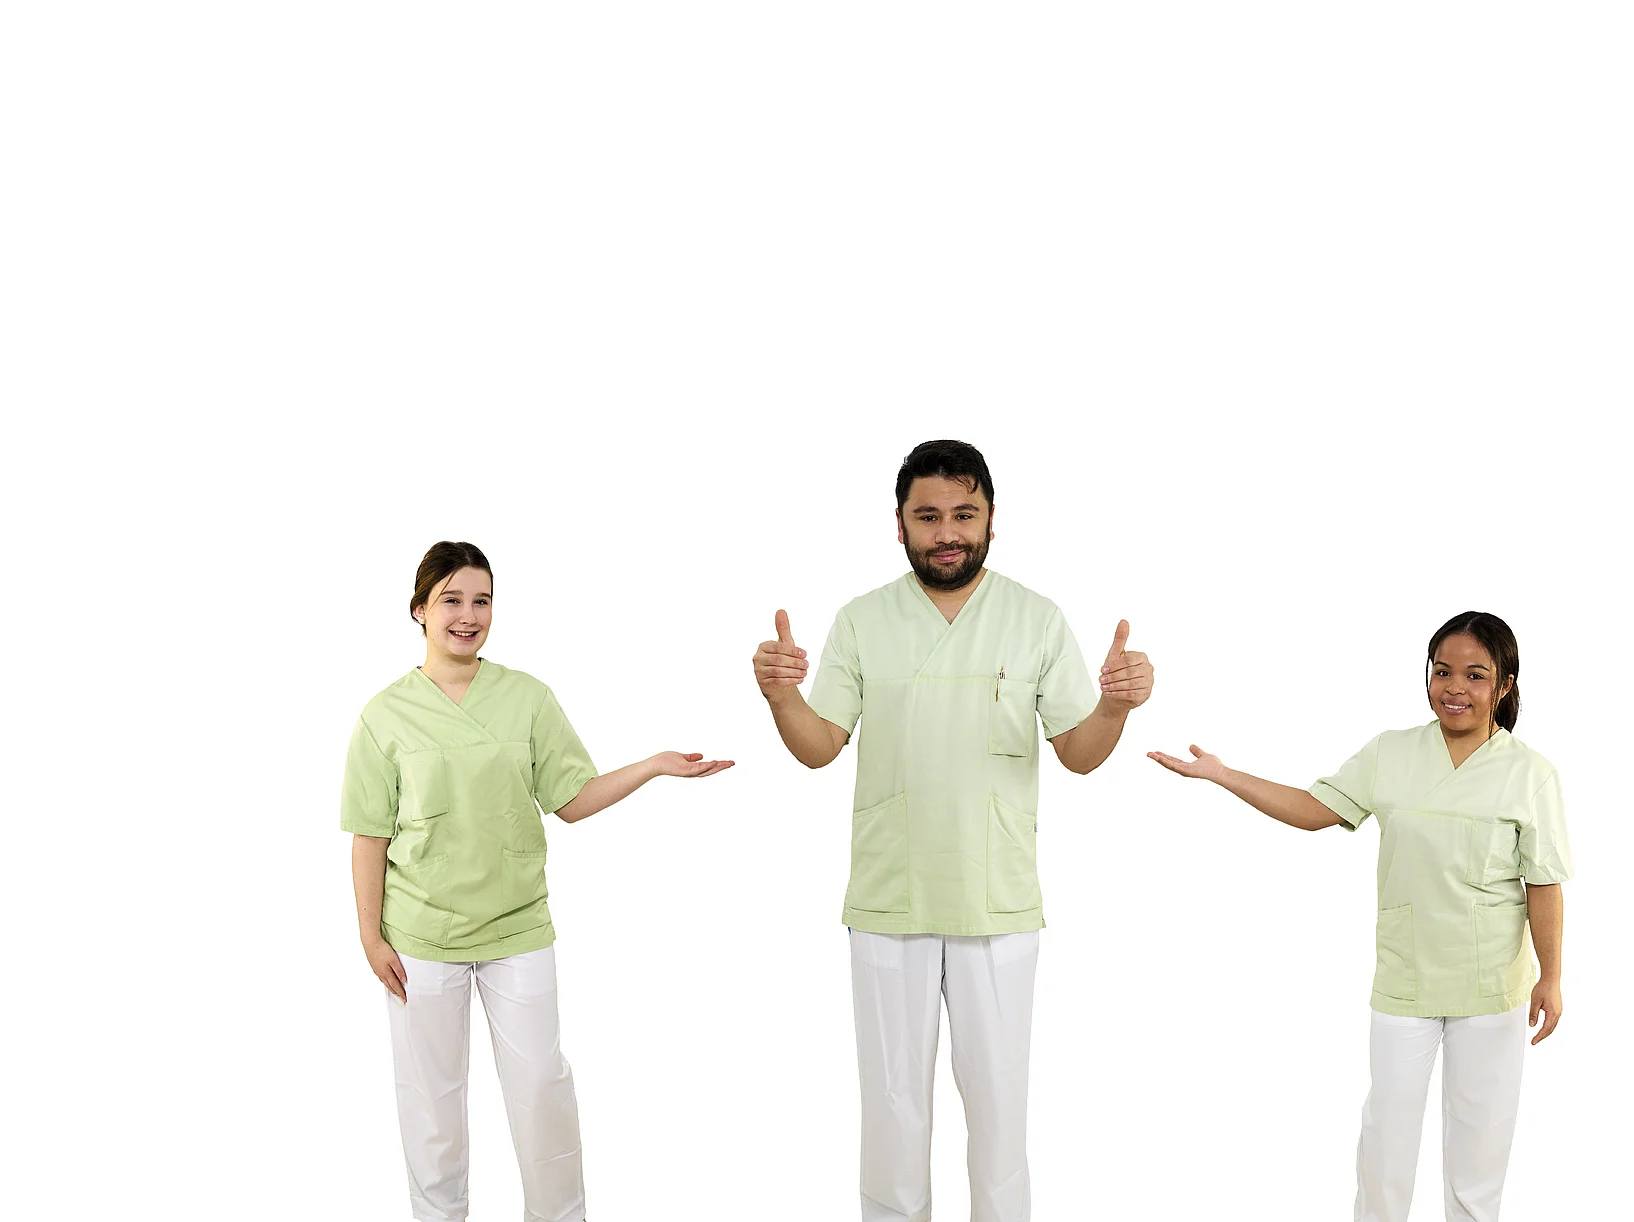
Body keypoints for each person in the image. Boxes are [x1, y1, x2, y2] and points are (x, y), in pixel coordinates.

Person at [752, 440, 1154, 1222]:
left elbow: (1079, 753)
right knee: (892, 1111)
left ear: (992, 520)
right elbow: (819, 745)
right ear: (899, 524)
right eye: (927, 516)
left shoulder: (1035, 619)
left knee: (1000, 1115)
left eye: (964, 515)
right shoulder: (863, 620)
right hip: (890, 897)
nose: (946, 533)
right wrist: (781, 697)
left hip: (995, 901)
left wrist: (1115, 707)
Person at [341, 541, 734, 1222]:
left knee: (541, 1089)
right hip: (421, 937)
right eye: (451, 600)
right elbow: (369, 836)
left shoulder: (526, 698)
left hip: (517, 927)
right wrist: (370, 938)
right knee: (432, 1104)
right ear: (419, 610)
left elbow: (571, 800)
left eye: (482, 601)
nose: (468, 616)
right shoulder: (384, 715)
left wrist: (652, 766)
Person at [1148, 611, 1570, 1222]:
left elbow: (1544, 882)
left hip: (1491, 987)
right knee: (1385, 1141)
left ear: (1504, 686)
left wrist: (1550, 976)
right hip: (1405, 978)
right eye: (1442, 671)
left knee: (1479, 1151)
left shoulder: (1530, 773)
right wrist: (1223, 775)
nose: (1455, 688)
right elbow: (1313, 809)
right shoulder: (1391, 753)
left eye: (1475, 675)